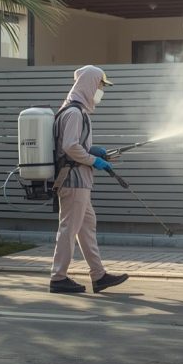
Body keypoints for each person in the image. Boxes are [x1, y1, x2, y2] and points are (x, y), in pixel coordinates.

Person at [49, 65, 129, 294]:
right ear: (89, 85)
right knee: (68, 229)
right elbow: (69, 147)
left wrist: (93, 150)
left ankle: (99, 275)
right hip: (73, 181)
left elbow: (73, 145)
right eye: (100, 86)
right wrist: (95, 160)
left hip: (79, 181)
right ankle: (58, 278)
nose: (101, 91)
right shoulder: (74, 113)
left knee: (86, 228)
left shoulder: (75, 111)